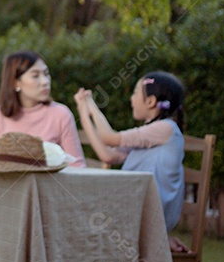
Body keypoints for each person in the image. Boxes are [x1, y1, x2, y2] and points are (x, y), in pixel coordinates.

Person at [73, 71, 188, 251]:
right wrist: (83, 111)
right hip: (138, 209)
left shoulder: (165, 129)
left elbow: (109, 137)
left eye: (135, 93)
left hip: (148, 213)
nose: (131, 98)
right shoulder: (152, 131)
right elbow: (107, 155)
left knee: (80, 215)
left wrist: (91, 105)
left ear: (150, 101)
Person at [0, 50, 86, 168]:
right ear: (15, 82)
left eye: (46, 73)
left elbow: (77, 165)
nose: (45, 82)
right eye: (35, 76)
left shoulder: (61, 114)